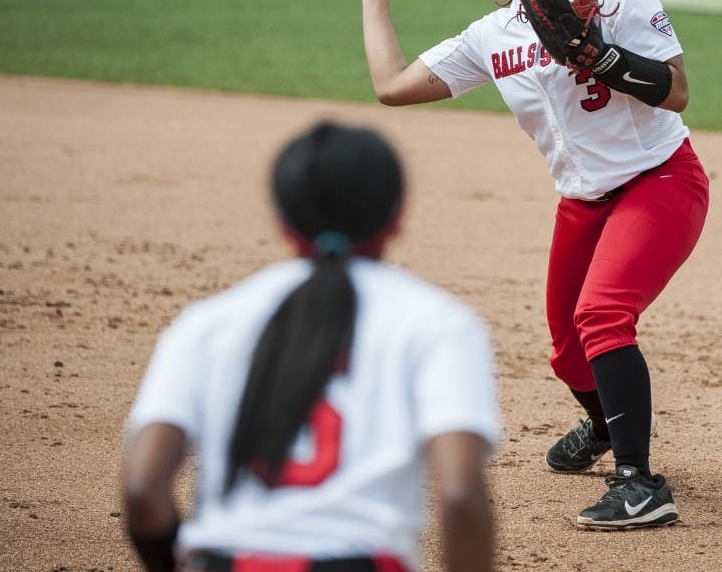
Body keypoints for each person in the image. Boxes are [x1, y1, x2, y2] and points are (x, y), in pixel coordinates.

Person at [349, 0, 709, 530]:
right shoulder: (493, 34)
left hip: (659, 182)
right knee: (568, 352)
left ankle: (639, 483)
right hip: (582, 204)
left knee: (601, 314)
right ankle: (603, 426)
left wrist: (599, 55)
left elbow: (678, 91)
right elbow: (393, 85)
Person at [122, 121, 500, 572]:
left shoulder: (206, 322)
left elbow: (142, 488)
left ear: (282, 222)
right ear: (397, 216)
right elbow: (459, 496)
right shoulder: (439, 323)